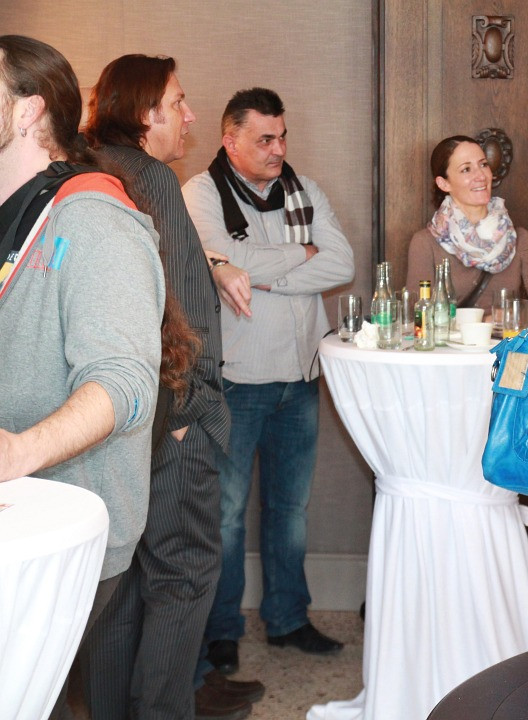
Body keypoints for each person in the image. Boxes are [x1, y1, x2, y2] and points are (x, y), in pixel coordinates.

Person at [79, 55, 264, 720]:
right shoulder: (154, 177)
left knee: (122, 586)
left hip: (110, 422)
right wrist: (190, 410)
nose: (189, 116)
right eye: (178, 102)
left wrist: (212, 259)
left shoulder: (86, 173)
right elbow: (178, 304)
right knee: (183, 579)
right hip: (171, 417)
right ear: (141, 110)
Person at [0, 35, 164, 719]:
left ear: (24, 112)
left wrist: (16, 452)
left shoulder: (94, 218)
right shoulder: (13, 218)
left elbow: (125, 381)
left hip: (57, 520)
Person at [183, 87, 355, 674]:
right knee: (225, 515)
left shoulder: (304, 191)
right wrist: (296, 255)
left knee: (290, 509)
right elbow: (214, 263)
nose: (279, 148)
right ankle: (221, 630)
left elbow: (343, 264)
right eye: (265, 138)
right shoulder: (199, 194)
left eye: (283, 136)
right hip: (236, 380)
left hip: (300, 376)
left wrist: (254, 267)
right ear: (230, 140)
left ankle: (287, 620)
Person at [405, 135, 528, 312]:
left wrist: (512, 319)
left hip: (505, 340)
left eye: (483, 164)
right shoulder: (424, 243)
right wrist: (478, 323)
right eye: (466, 169)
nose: (480, 175)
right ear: (443, 183)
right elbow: (418, 316)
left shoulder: (521, 241)